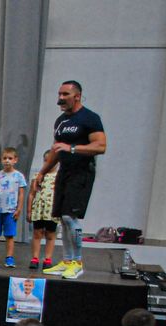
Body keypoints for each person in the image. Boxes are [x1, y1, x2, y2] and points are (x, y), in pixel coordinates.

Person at [36, 80, 107, 281]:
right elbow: (55, 150)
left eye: (65, 94)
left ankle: (77, 262)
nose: (61, 98)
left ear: (77, 96)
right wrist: (42, 172)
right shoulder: (60, 121)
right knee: (62, 218)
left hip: (82, 172)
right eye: (59, 94)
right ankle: (67, 261)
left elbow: (101, 146)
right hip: (64, 172)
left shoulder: (90, 118)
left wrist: (73, 148)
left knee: (70, 217)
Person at [0, 147, 29, 268]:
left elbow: (21, 194)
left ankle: (9, 257)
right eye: (4, 158)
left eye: (10, 158)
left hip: (10, 211)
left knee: (9, 235)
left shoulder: (19, 176)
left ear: (15, 160)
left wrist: (19, 209)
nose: (7, 161)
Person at [28, 149, 60, 269]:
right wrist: (29, 210)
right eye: (46, 161)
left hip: (52, 211)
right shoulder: (37, 176)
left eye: (52, 161)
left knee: (50, 234)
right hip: (39, 209)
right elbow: (31, 193)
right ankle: (35, 258)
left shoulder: (59, 177)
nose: (49, 164)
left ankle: (47, 258)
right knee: (37, 233)